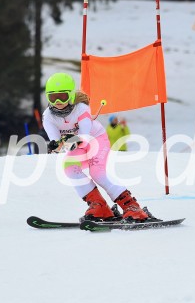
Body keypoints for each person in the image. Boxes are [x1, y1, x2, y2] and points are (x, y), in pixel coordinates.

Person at [42, 72, 149, 222]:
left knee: (97, 173)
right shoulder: (48, 116)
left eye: (63, 96)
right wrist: (55, 145)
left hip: (95, 140)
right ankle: (99, 206)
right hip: (76, 144)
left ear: (71, 95)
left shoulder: (81, 109)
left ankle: (132, 207)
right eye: (53, 97)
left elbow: (85, 136)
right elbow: (57, 142)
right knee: (69, 168)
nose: (58, 101)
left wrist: (66, 141)